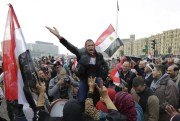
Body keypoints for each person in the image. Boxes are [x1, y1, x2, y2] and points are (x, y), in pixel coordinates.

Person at [46, 27, 109, 104]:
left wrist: (103, 76)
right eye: (89, 45)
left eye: (92, 45)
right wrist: (59, 36)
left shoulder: (99, 56)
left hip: (95, 78)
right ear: (85, 47)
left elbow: (105, 65)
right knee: (82, 99)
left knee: (102, 96)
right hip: (84, 79)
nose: (91, 47)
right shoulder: (81, 53)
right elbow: (70, 47)